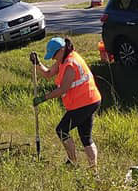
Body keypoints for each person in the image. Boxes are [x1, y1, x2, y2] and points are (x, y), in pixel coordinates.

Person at [30, 37, 103, 168]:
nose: (53, 58)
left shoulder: (70, 63)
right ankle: (93, 170)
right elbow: (48, 73)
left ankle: (72, 162)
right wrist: (37, 63)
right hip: (89, 101)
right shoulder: (62, 60)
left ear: (62, 50)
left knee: (62, 130)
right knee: (86, 137)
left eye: (54, 55)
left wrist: (43, 98)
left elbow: (63, 89)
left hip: (85, 103)